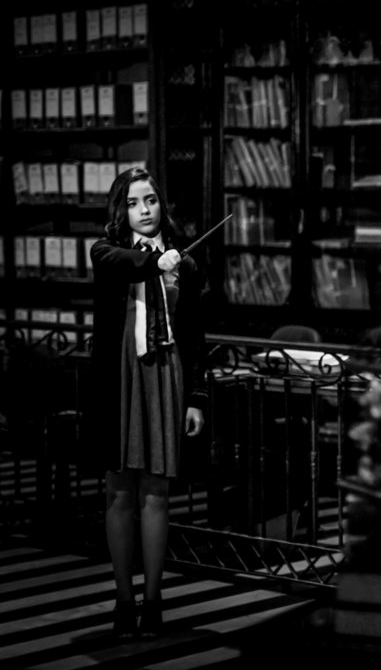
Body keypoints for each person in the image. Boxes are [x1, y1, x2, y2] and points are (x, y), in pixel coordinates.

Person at [88, 167, 207, 639]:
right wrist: (156, 263)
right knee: (118, 490)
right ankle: (123, 600)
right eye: (134, 202)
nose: (144, 209)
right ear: (121, 209)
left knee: (156, 491)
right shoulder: (106, 251)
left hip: (165, 374)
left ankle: (154, 601)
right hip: (118, 379)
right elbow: (124, 263)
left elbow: (195, 336)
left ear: (162, 205)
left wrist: (196, 398)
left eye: (151, 200)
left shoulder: (185, 264)